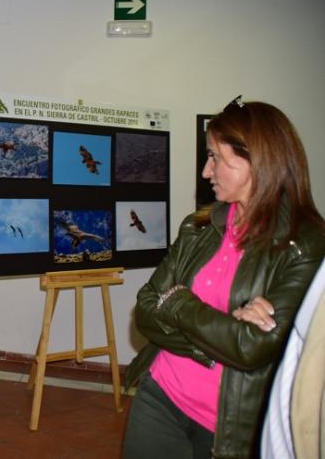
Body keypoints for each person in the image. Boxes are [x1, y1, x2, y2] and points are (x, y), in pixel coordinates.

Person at [121, 96, 325, 459]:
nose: (205, 171)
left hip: (228, 425)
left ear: (257, 161)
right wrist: (221, 338)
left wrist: (179, 303)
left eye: (215, 157)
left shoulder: (305, 244)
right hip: (159, 397)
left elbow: (250, 349)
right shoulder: (197, 226)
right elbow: (146, 310)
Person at [261, 257, 325, 458]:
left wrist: (176, 303)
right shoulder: (194, 231)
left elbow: (250, 344)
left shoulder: (306, 244)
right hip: (165, 391)